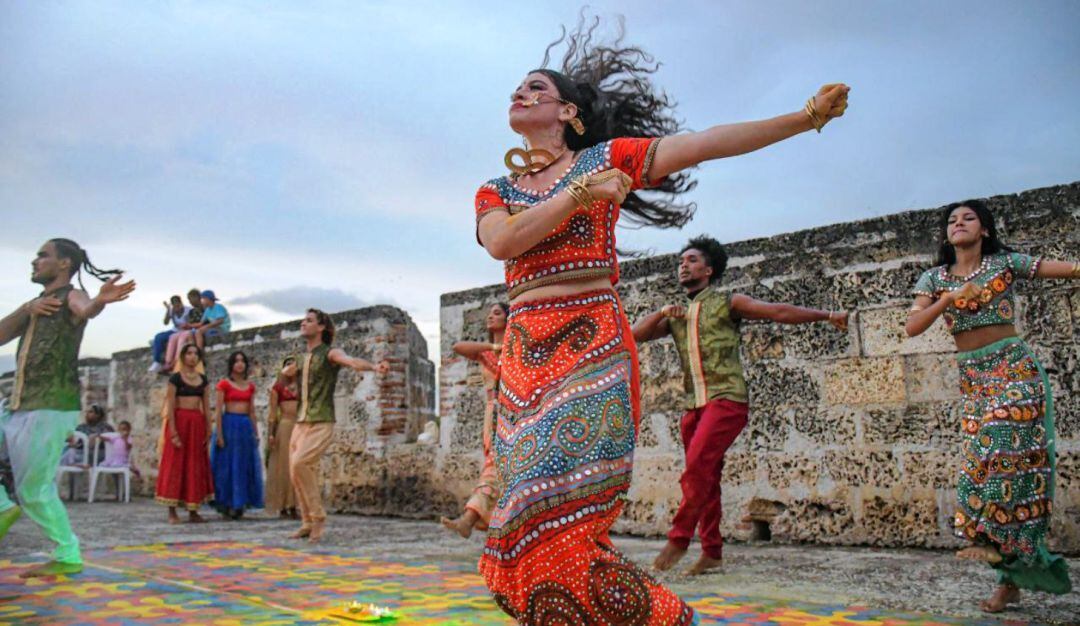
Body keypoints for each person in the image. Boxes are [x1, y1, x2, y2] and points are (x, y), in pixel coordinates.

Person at [472, 18, 848, 622]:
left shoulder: (605, 157)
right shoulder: (496, 190)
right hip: (523, 354)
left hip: (589, 341)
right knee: (517, 531)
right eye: (517, 88)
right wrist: (579, 195)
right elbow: (504, 244)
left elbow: (702, 143)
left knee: (563, 523)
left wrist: (803, 118)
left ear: (569, 112)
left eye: (537, 88)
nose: (521, 93)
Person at [632, 236, 849, 575]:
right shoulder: (677, 314)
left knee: (695, 472)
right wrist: (662, 311)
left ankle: (678, 539)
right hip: (694, 407)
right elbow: (636, 335)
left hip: (726, 401)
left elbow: (777, 311)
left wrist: (827, 314)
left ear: (709, 269)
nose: (683, 265)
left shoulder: (726, 302)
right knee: (706, 478)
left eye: (691, 260)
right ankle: (712, 552)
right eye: (681, 261)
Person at [905, 199, 1076, 612]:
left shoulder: (1004, 263)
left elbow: (1060, 268)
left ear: (984, 230)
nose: (958, 224)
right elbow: (912, 327)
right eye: (951, 220)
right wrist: (948, 299)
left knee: (1000, 437)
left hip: (1014, 368)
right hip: (975, 378)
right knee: (986, 470)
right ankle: (1008, 575)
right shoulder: (934, 278)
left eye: (968, 218)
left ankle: (1005, 567)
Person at [0, 238, 134, 577]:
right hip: (18, 403)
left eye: (43, 255)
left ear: (64, 264)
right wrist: (25, 311)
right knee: (32, 490)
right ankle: (2, 506)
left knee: (34, 490)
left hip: (50, 406)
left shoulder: (69, 297)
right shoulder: (35, 305)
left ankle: (67, 553)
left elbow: (84, 308)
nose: (35, 261)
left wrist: (99, 302)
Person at [284, 308, 388, 543]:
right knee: (295, 472)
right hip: (301, 421)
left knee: (301, 464)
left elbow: (351, 361)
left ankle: (318, 518)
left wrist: (373, 367)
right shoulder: (300, 358)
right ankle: (307, 522)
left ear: (321, 327)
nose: (303, 323)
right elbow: (285, 378)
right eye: (303, 320)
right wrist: (286, 373)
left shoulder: (330, 353)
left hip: (321, 421)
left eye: (309, 321)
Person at [441, 303, 507, 538]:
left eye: (497, 313)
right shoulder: (486, 352)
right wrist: (494, 346)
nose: (491, 316)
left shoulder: (517, 351)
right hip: (492, 415)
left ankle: (470, 518)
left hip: (513, 414)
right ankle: (480, 520)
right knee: (496, 467)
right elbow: (458, 346)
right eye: (489, 313)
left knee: (496, 469)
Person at [155, 343, 213, 524]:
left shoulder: (203, 380)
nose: (192, 357)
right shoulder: (175, 379)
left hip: (196, 424)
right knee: (175, 465)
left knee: (195, 465)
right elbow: (171, 406)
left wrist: (209, 428)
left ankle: (193, 510)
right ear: (182, 356)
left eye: (196, 354)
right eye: (189, 353)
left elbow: (206, 405)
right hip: (180, 423)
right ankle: (172, 511)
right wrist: (172, 431)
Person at [211, 351, 262, 520]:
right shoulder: (224, 384)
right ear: (231, 364)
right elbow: (218, 411)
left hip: (244, 427)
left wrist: (255, 432)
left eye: (242, 361)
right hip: (229, 426)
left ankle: (241, 503)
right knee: (228, 466)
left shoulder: (250, 386)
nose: (240, 364)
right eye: (236, 361)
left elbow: (252, 411)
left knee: (243, 465)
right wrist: (219, 434)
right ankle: (227, 503)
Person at [265, 356, 300, 519]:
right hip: (285, 426)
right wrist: (271, 433)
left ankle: (298, 504)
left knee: (300, 465)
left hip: (300, 426)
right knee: (284, 466)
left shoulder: (303, 386)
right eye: (287, 364)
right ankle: (284, 505)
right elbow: (273, 414)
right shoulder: (277, 388)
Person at [149, 295, 190, 373]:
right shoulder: (172, 310)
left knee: (176, 341)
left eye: (178, 304)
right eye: (174, 305)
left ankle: (174, 363)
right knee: (158, 337)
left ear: (181, 303)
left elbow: (192, 322)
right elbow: (165, 322)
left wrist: (186, 325)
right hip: (175, 331)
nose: (177, 307)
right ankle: (157, 362)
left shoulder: (188, 310)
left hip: (185, 331)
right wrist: (168, 310)